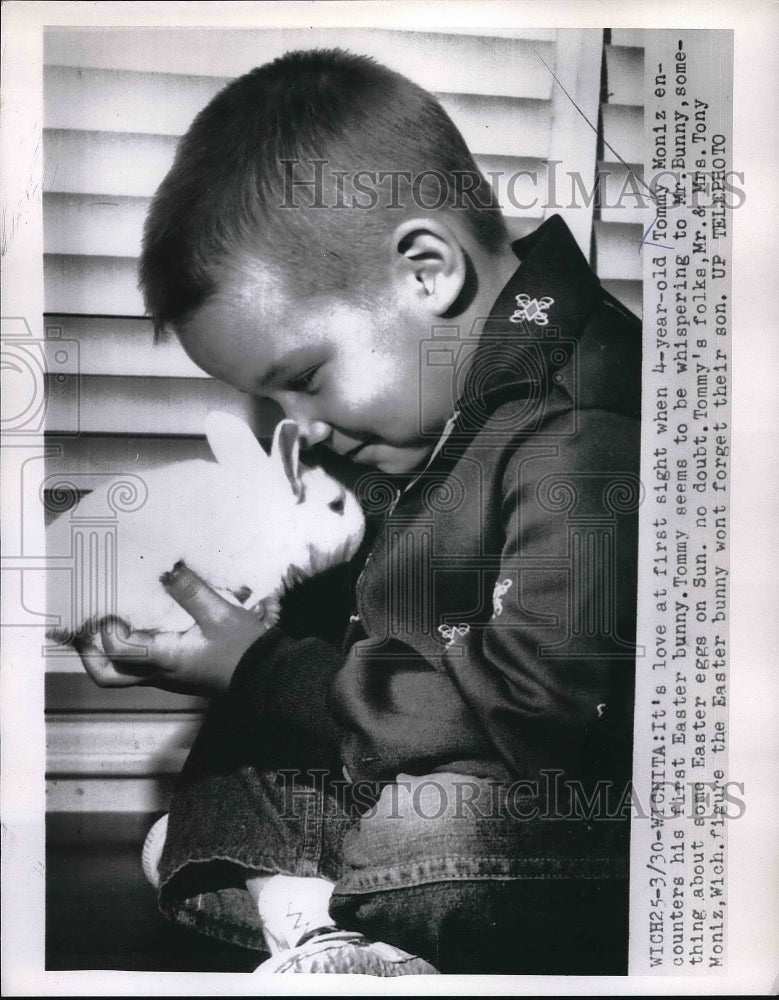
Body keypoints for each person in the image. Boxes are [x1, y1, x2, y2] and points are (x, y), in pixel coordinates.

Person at [67, 48, 641, 975]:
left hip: (567, 797)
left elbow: (543, 713)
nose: (304, 427)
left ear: (426, 272)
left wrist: (264, 670)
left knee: (434, 835)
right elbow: (372, 639)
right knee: (216, 790)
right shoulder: (429, 404)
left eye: (303, 378)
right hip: (417, 772)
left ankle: (315, 914)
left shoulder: (583, 423)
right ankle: (333, 931)